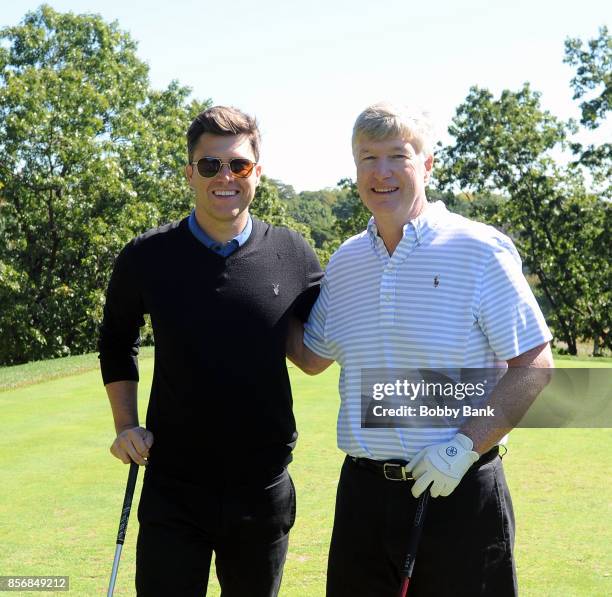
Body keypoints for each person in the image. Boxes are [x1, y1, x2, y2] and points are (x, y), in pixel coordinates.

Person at [287, 103, 554, 596]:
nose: (381, 172)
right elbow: (311, 356)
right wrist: (264, 298)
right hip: (364, 499)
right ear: (355, 168)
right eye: (368, 158)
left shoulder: (478, 248)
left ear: (426, 164)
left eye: (398, 156)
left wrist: (463, 446)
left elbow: (534, 366)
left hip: (459, 490)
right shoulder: (346, 262)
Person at [99, 105, 322, 597]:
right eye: (210, 165)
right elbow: (117, 340)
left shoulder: (294, 252)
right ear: (189, 173)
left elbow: (316, 349)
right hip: (174, 486)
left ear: (257, 173)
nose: (225, 176)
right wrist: (124, 427)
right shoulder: (146, 256)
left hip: (262, 490)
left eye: (239, 164)